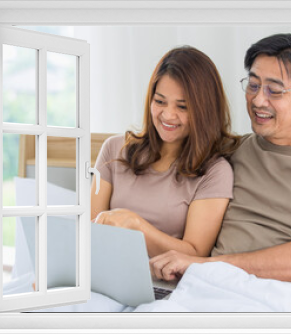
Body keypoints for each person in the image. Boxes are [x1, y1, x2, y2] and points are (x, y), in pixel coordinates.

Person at [150, 34, 291, 296]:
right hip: (212, 292)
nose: (258, 100)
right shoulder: (231, 152)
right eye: (253, 85)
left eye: (274, 90)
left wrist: (205, 265)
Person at [91, 46, 240, 259]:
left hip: (163, 283)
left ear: (204, 110)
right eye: (160, 102)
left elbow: (196, 253)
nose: (168, 115)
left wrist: (137, 226)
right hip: (106, 269)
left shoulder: (215, 172)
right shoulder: (114, 149)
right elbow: (91, 231)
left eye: (183, 107)